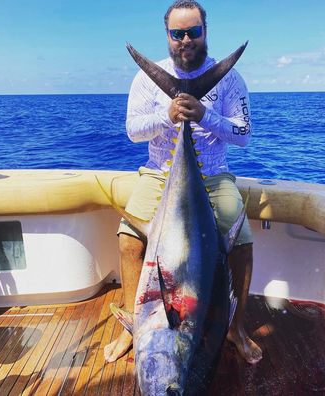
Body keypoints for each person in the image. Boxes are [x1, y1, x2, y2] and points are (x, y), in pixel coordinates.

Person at [104, 0, 262, 365]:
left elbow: (243, 134)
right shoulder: (147, 77)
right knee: (128, 239)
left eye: (193, 31)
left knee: (242, 243)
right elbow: (132, 131)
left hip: (214, 173)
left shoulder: (230, 79)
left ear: (205, 31)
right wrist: (168, 114)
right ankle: (132, 326)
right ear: (168, 36)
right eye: (178, 33)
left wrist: (205, 115)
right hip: (160, 171)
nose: (186, 39)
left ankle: (236, 328)